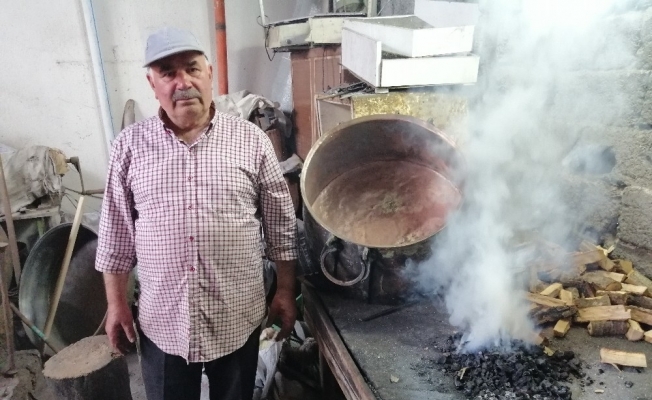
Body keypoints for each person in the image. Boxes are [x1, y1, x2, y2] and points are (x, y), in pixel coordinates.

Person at [95, 27, 299, 400]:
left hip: (237, 316)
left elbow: (281, 225)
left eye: (191, 68)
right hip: (163, 322)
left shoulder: (251, 140)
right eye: (168, 73)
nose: (183, 83)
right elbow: (115, 235)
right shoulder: (129, 146)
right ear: (152, 84)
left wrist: (285, 290)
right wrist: (116, 304)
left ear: (209, 73)